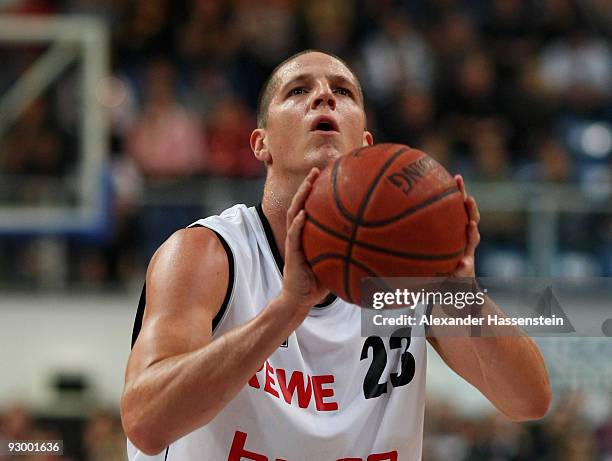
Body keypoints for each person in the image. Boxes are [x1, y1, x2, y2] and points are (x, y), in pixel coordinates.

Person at [120, 50, 551, 461]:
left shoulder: (407, 269)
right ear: (261, 143)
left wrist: (462, 294)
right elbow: (146, 421)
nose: (324, 95)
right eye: (297, 91)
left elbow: (528, 401)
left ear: (365, 143)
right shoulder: (209, 254)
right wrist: (288, 310)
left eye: (343, 92)